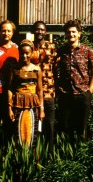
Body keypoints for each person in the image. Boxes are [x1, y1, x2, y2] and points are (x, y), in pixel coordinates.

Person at [55, 19, 93, 141]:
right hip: (66, 95)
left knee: (82, 130)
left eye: (74, 32)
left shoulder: (88, 51)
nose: (71, 34)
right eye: (68, 32)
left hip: (82, 95)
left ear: (79, 33)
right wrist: (58, 88)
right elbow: (54, 71)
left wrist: (89, 92)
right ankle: (67, 157)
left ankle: (82, 155)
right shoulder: (60, 51)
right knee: (66, 129)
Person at [7, 39, 45, 147]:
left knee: (32, 132)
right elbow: (10, 89)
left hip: (33, 104)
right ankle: (19, 160)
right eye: (22, 53)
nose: (24, 56)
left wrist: (42, 109)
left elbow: (39, 90)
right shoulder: (15, 69)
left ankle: (32, 161)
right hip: (17, 104)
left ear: (32, 53)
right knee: (18, 132)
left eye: (27, 53)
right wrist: (9, 108)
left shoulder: (37, 69)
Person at [30, 21, 56, 151]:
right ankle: (34, 154)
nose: (39, 32)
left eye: (42, 29)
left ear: (45, 32)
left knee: (49, 125)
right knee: (33, 125)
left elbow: (56, 68)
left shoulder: (52, 47)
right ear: (33, 31)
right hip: (32, 91)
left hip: (48, 91)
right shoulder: (29, 47)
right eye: (37, 29)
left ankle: (49, 154)